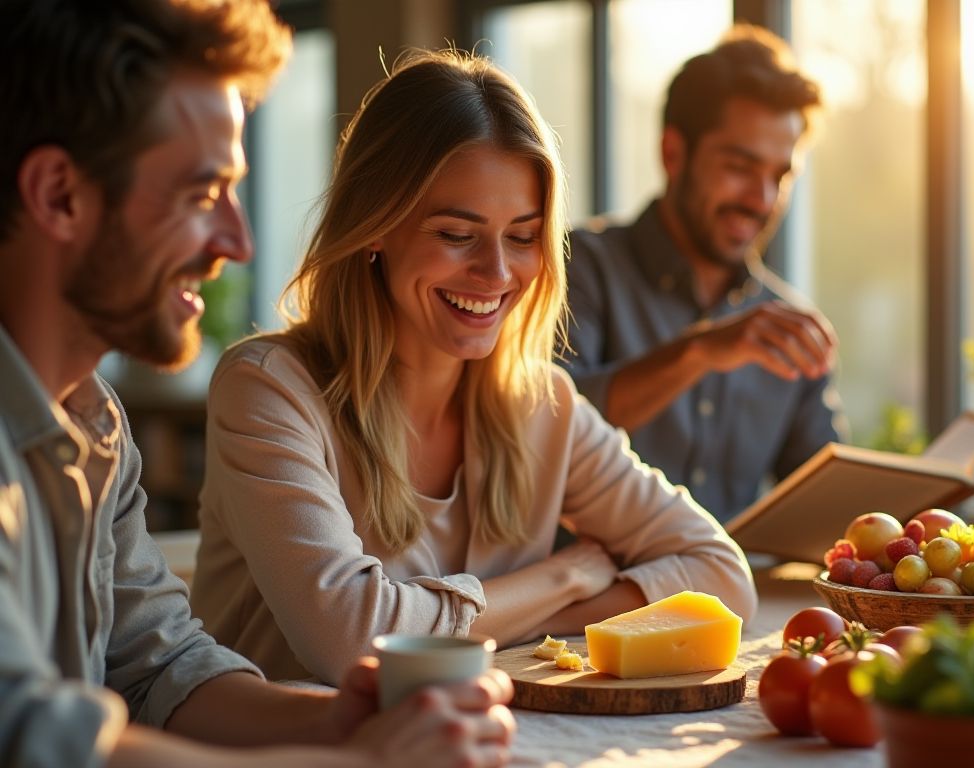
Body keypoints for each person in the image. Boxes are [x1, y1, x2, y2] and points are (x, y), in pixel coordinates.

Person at [0, 2, 514, 766]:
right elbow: (27, 736)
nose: (237, 241)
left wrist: (333, 723)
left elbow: (160, 669)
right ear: (59, 195)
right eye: (204, 192)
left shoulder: (92, 424)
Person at [188, 47, 758, 686]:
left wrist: (490, 620)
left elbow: (721, 576)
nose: (496, 273)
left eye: (522, 237)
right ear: (375, 224)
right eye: (456, 234)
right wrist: (560, 578)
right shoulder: (268, 390)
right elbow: (353, 640)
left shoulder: (544, 404)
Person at [562, 24, 847, 524]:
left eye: (779, 177)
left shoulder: (789, 323)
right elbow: (540, 429)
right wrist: (700, 351)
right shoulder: (578, 266)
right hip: (593, 599)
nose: (761, 200)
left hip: (735, 601)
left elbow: (824, 509)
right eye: (740, 166)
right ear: (673, 153)